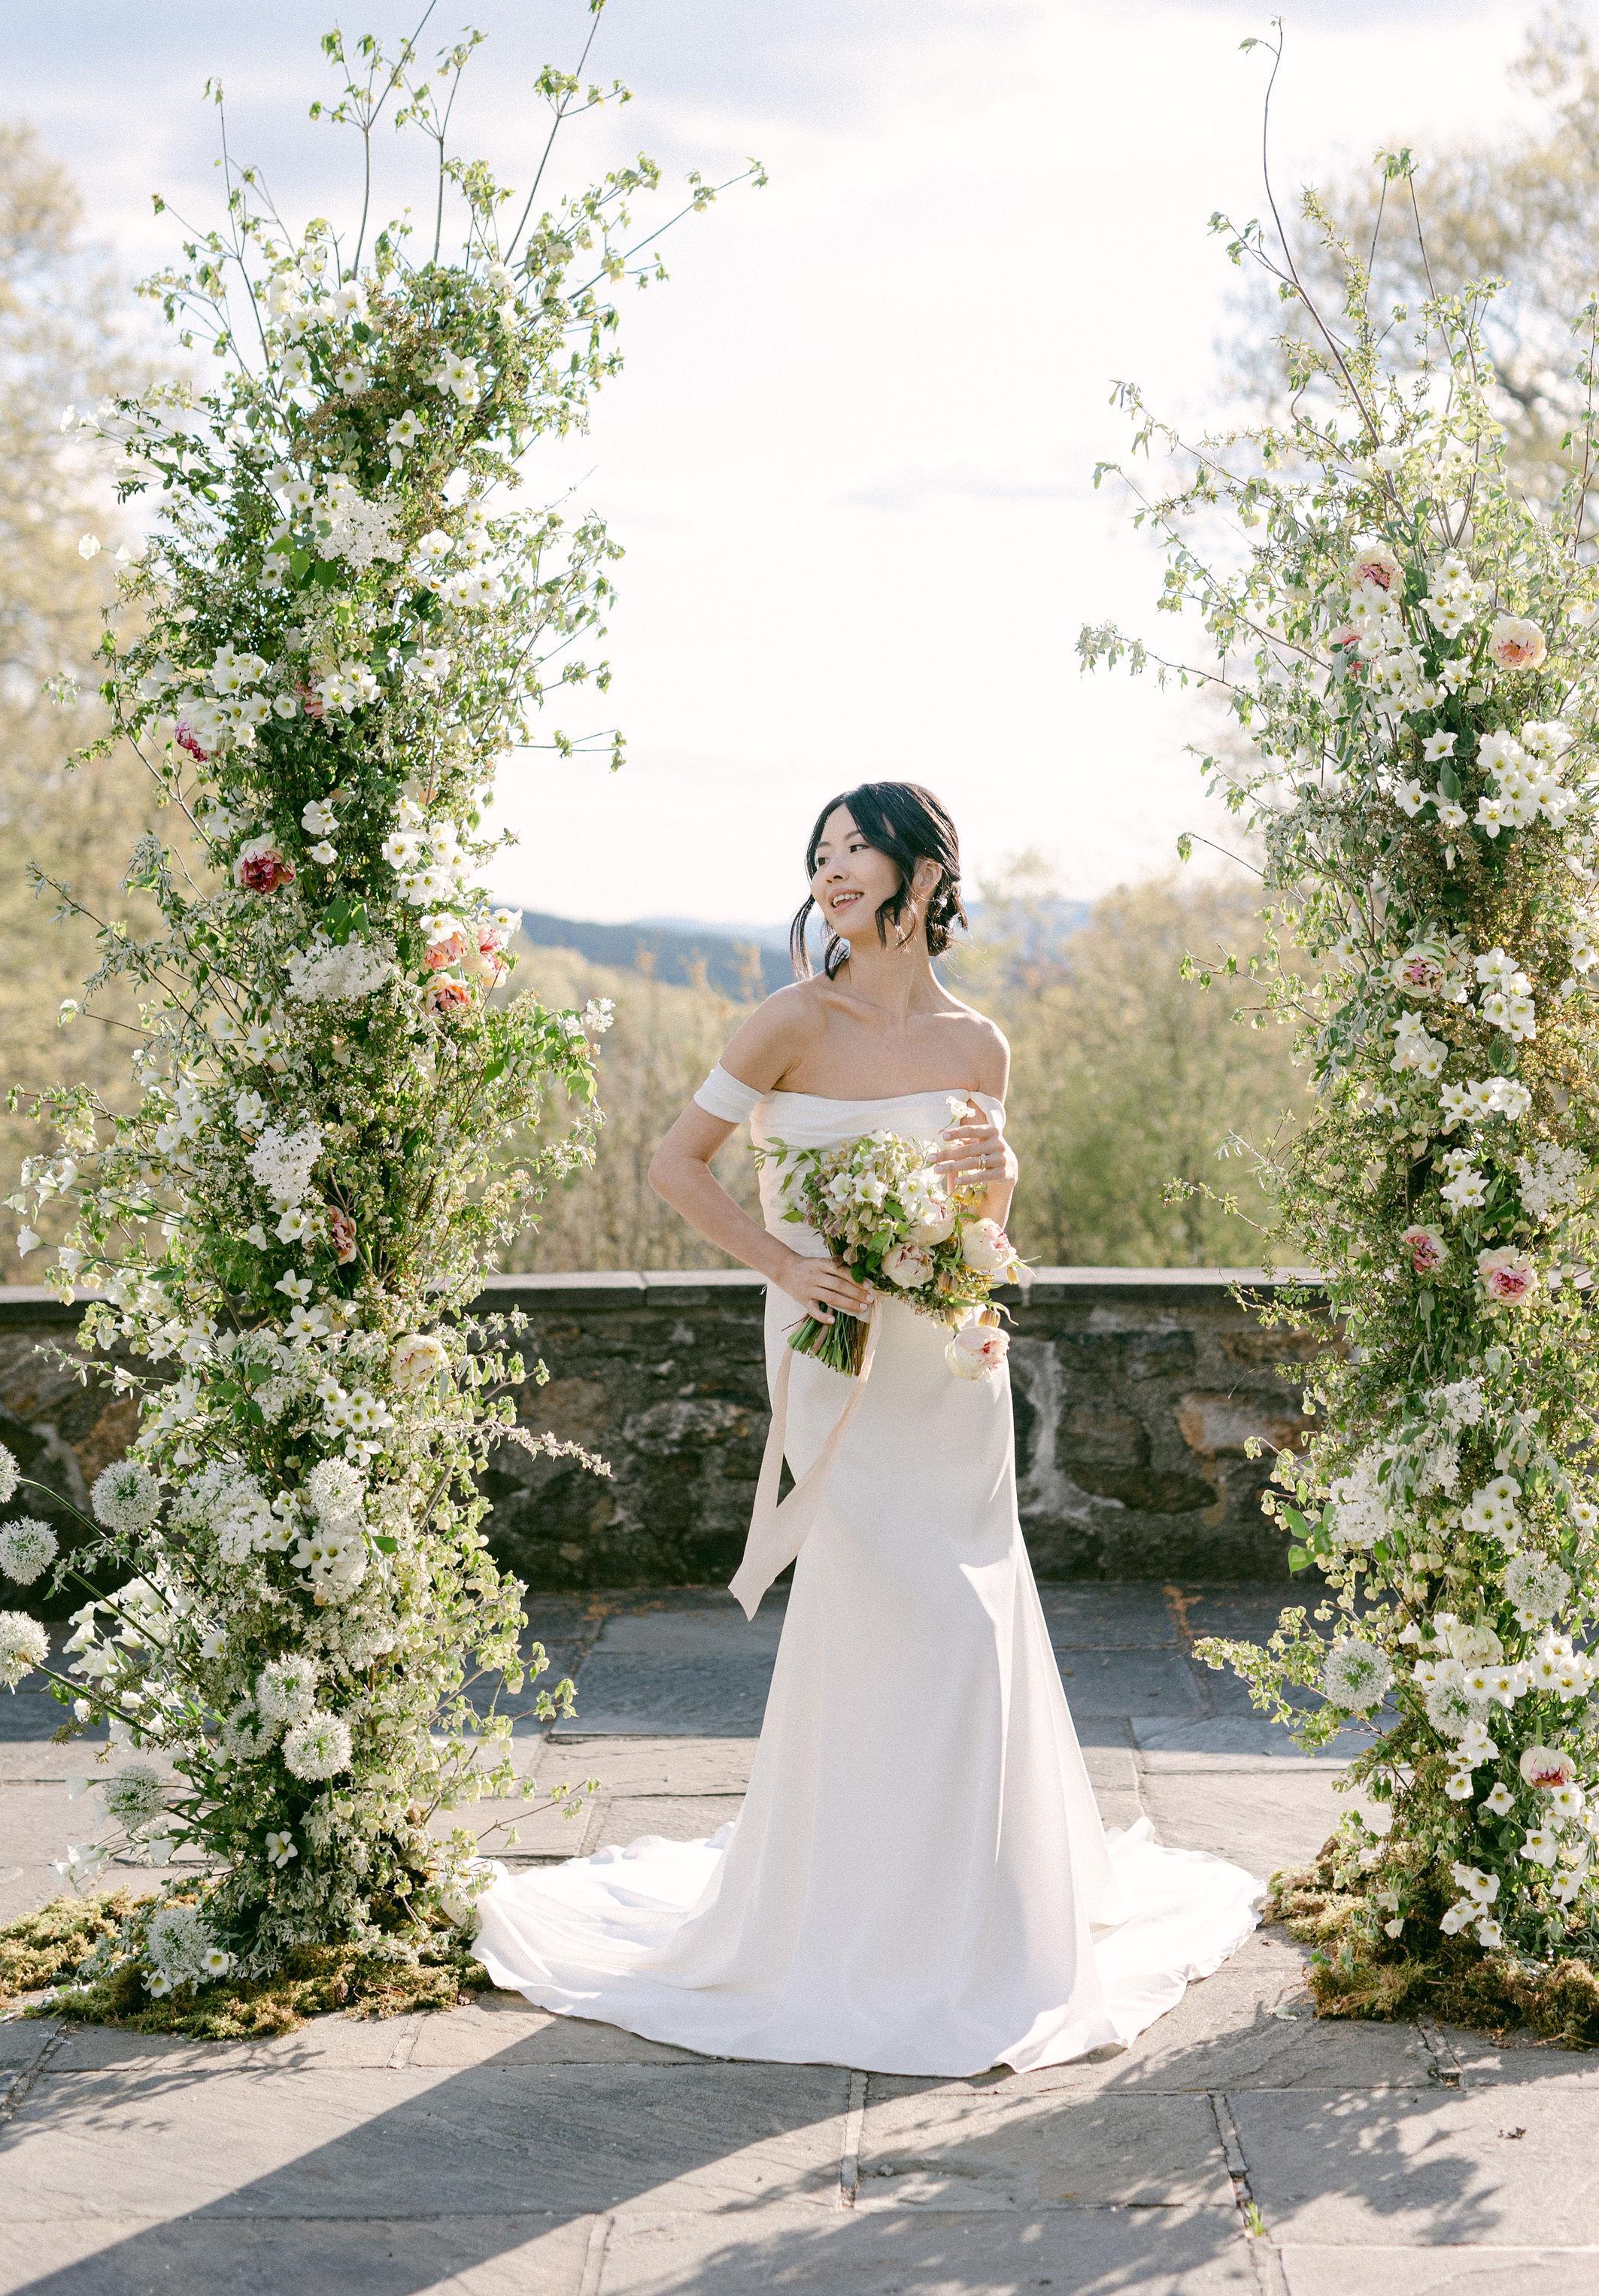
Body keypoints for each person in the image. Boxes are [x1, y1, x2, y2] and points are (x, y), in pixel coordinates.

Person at [473, 780, 1262, 2074]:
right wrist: (787, 1266)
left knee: (973, 1621)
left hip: (948, 1362)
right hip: (834, 1349)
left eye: (858, 848)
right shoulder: (791, 1019)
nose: (833, 869)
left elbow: (988, 1221)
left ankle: (978, 1911)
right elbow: (675, 1165)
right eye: (822, 852)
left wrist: (993, 1187)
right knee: (888, 1611)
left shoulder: (979, 1044)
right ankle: (853, 1913)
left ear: (923, 871)